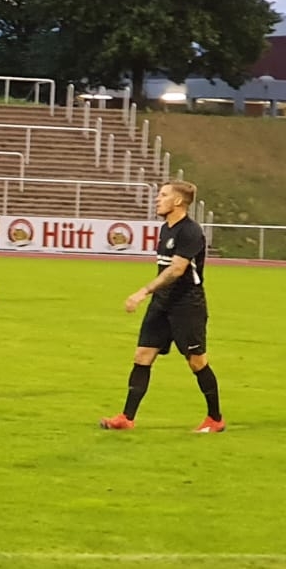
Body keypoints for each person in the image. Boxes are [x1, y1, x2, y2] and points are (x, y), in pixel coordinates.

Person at [100, 181, 224, 433]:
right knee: (142, 356)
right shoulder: (165, 229)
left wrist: (143, 291)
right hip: (162, 303)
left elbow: (177, 269)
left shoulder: (190, 231)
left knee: (197, 362)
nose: (157, 199)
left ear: (178, 201)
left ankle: (215, 419)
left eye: (163, 195)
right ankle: (126, 418)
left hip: (186, 305)